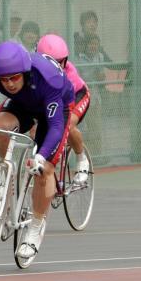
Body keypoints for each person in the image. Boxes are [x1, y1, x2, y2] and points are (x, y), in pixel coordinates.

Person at [0, 41, 74, 260]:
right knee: (0, 126)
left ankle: (36, 226)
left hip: (53, 109)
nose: (9, 84)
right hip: (23, 104)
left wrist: (42, 157)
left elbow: (55, 127)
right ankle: (6, 175)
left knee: (45, 170)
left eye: (14, 78)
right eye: (4, 80)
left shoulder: (47, 78)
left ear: (25, 72)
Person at [36, 34, 91, 183]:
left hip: (77, 96)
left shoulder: (69, 73)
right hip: (52, 97)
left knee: (67, 125)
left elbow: (64, 107)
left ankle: (81, 159)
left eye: (60, 62)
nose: (56, 66)